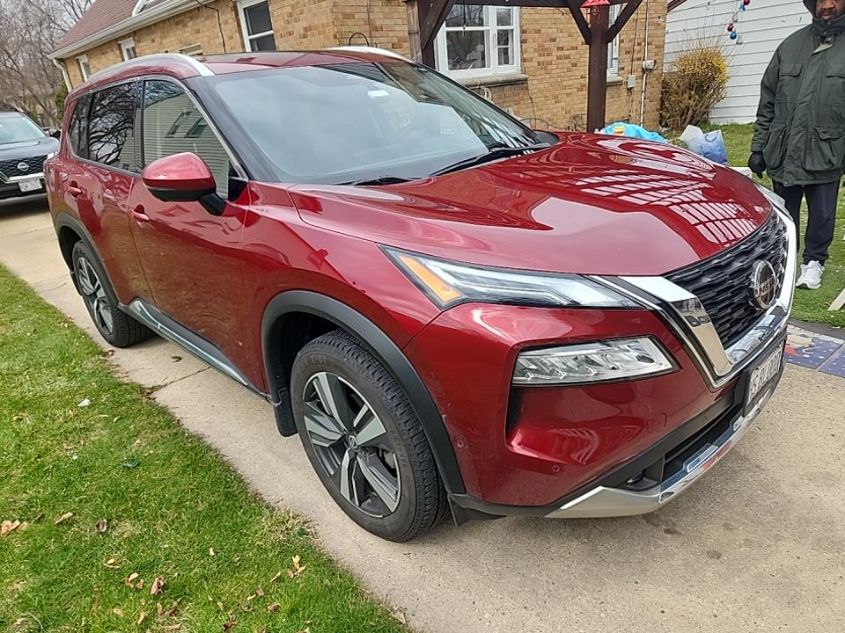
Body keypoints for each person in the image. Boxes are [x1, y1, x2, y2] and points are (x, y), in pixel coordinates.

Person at [748, 0, 845, 289]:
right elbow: (767, 101)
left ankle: (814, 263)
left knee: (822, 214)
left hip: (826, 150)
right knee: (783, 215)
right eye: (822, 0)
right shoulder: (790, 46)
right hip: (785, 150)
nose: (827, 5)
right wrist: (758, 146)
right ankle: (783, 261)